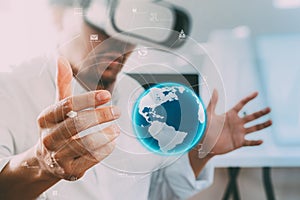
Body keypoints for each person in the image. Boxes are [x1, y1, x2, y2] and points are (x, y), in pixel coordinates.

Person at [0, 0, 272, 199]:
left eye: (132, 34)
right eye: (102, 31)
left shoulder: (142, 102)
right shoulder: (9, 90)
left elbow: (155, 193)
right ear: (59, 16)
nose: (119, 46)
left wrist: (203, 150)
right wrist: (42, 164)